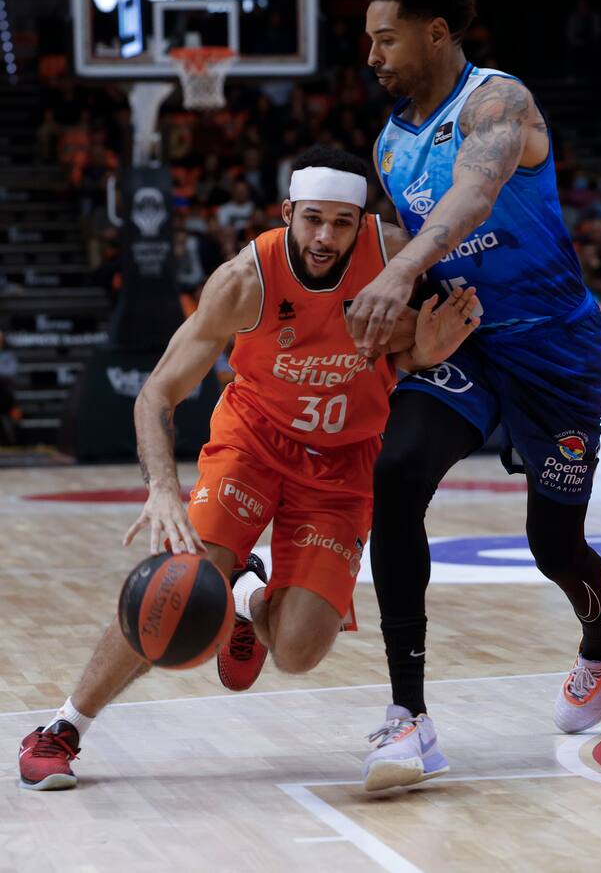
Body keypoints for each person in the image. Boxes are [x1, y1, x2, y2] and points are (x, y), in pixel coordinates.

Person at [18, 145, 480, 791]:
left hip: (344, 462)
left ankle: (246, 599)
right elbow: (157, 393)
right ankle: (62, 728)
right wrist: (161, 488)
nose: (325, 236)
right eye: (312, 219)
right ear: (287, 212)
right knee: (178, 581)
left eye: (341, 223)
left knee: (298, 649)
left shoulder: (397, 259)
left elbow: (426, 348)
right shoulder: (245, 280)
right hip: (253, 444)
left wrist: (424, 358)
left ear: (361, 222)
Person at [345, 0, 601, 792]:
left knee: (553, 543)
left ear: (436, 31)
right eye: (366, 39)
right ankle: (410, 717)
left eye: (385, 37)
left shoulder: (499, 101)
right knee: (397, 471)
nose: (371, 55)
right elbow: (437, 255)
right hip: (470, 343)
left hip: (557, 353)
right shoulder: (389, 143)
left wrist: (400, 268)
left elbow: (472, 200)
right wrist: (409, 330)